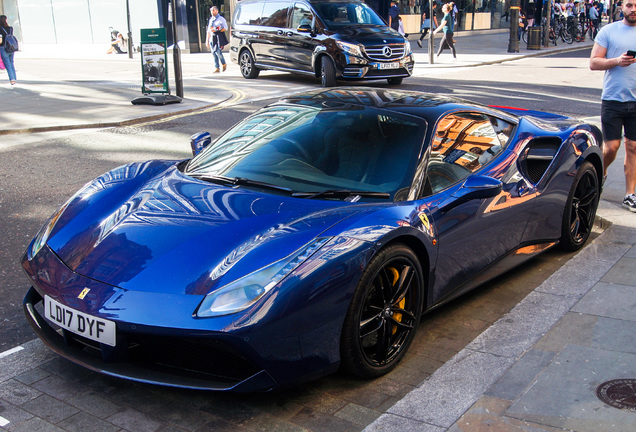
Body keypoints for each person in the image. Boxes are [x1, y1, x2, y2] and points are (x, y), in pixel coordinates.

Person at [590, 0, 636, 211]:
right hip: (613, 99)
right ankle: (602, 172)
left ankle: (630, 194)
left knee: (633, 147)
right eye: (629, 5)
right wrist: (617, 61)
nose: (633, 9)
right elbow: (594, 62)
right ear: (622, 7)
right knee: (611, 148)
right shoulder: (609, 30)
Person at [206, 6, 228, 73]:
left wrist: (218, 29)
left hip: (217, 38)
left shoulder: (221, 19)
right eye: (211, 11)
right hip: (212, 38)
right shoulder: (211, 20)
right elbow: (209, 31)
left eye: (213, 10)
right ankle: (217, 68)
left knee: (218, 52)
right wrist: (207, 40)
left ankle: (223, 63)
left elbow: (225, 28)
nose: (212, 12)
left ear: (217, 11)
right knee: (213, 53)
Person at [0, 15, 16, 85]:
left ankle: (12, 79)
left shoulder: (0, 29)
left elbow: (0, 40)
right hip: (11, 47)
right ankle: (14, 77)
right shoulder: (10, 28)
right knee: (11, 63)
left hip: (3, 48)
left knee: (7, 64)